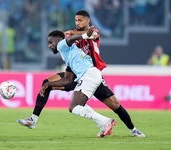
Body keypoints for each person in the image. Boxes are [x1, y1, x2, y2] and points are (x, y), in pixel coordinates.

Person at [17, 10, 145, 138]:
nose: (77, 23)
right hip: (77, 72)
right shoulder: (71, 40)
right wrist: (71, 35)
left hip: (91, 72)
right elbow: (70, 42)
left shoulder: (92, 32)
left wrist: (74, 33)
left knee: (115, 105)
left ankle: (133, 129)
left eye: (80, 20)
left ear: (87, 21)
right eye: (76, 21)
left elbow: (91, 35)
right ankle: (33, 119)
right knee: (48, 83)